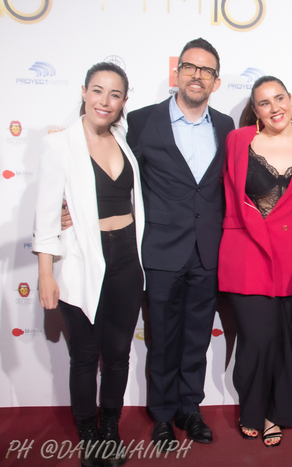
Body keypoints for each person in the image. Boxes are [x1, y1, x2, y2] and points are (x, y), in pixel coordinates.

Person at [34, 62, 145, 467]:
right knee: (84, 356)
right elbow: (47, 214)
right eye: (98, 91)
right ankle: (88, 434)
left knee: (117, 354)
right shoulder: (59, 144)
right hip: (81, 260)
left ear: (123, 102)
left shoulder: (124, 141)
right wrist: (46, 272)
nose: (105, 101)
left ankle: (110, 428)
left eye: (115, 95)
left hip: (127, 261)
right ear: (83, 92)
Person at [126, 38, 235, 446]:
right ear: (177, 72)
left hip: (208, 252)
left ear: (216, 81)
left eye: (206, 71)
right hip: (160, 249)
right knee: (163, 337)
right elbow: (110, 169)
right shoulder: (140, 122)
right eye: (190, 67)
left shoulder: (226, 126)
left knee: (196, 337)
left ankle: (190, 409)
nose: (197, 75)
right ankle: (161, 414)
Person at [218, 76, 292, 447]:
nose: (274, 107)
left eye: (280, 98)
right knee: (257, 338)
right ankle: (254, 408)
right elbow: (228, 193)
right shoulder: (238, 140)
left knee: (287, 338)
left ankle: (276, 410)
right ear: (255, 110)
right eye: (264, 102)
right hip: (246, 251)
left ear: (291, 100)